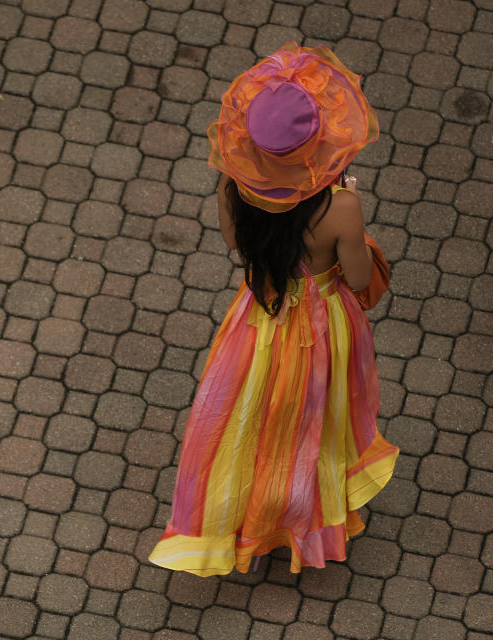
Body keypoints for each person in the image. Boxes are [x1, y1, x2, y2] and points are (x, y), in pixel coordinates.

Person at [149, 43, 398, 576]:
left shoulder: (234, 187)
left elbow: (236, 246)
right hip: (323, 324)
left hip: (259, 317)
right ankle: (303, 513)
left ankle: (247, 512)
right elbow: (357, 278)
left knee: (251, 418)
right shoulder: (341, 208)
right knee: (316, 422)